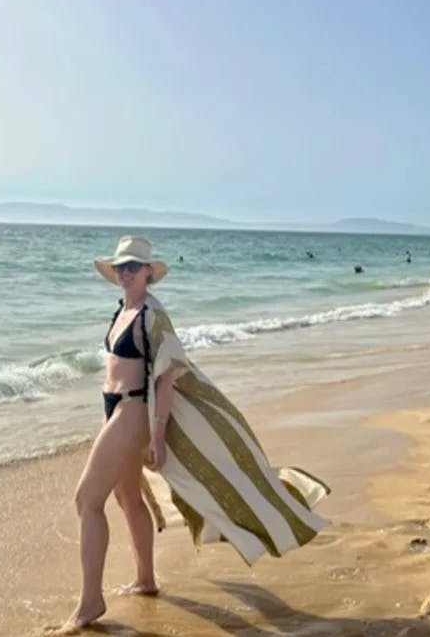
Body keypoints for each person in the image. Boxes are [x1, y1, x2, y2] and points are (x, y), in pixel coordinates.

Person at [62, 235, 329, 631]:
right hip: (113, 408)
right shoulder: (123, 308)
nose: (125, 273)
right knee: (126, 497)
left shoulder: (153, 314)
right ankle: (146, 579)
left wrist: (156, 436)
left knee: (86, 499)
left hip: (134, 410)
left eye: (133, 267)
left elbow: (167, 377)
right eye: (120, 267)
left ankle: (90, 603)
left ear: (149, 273)